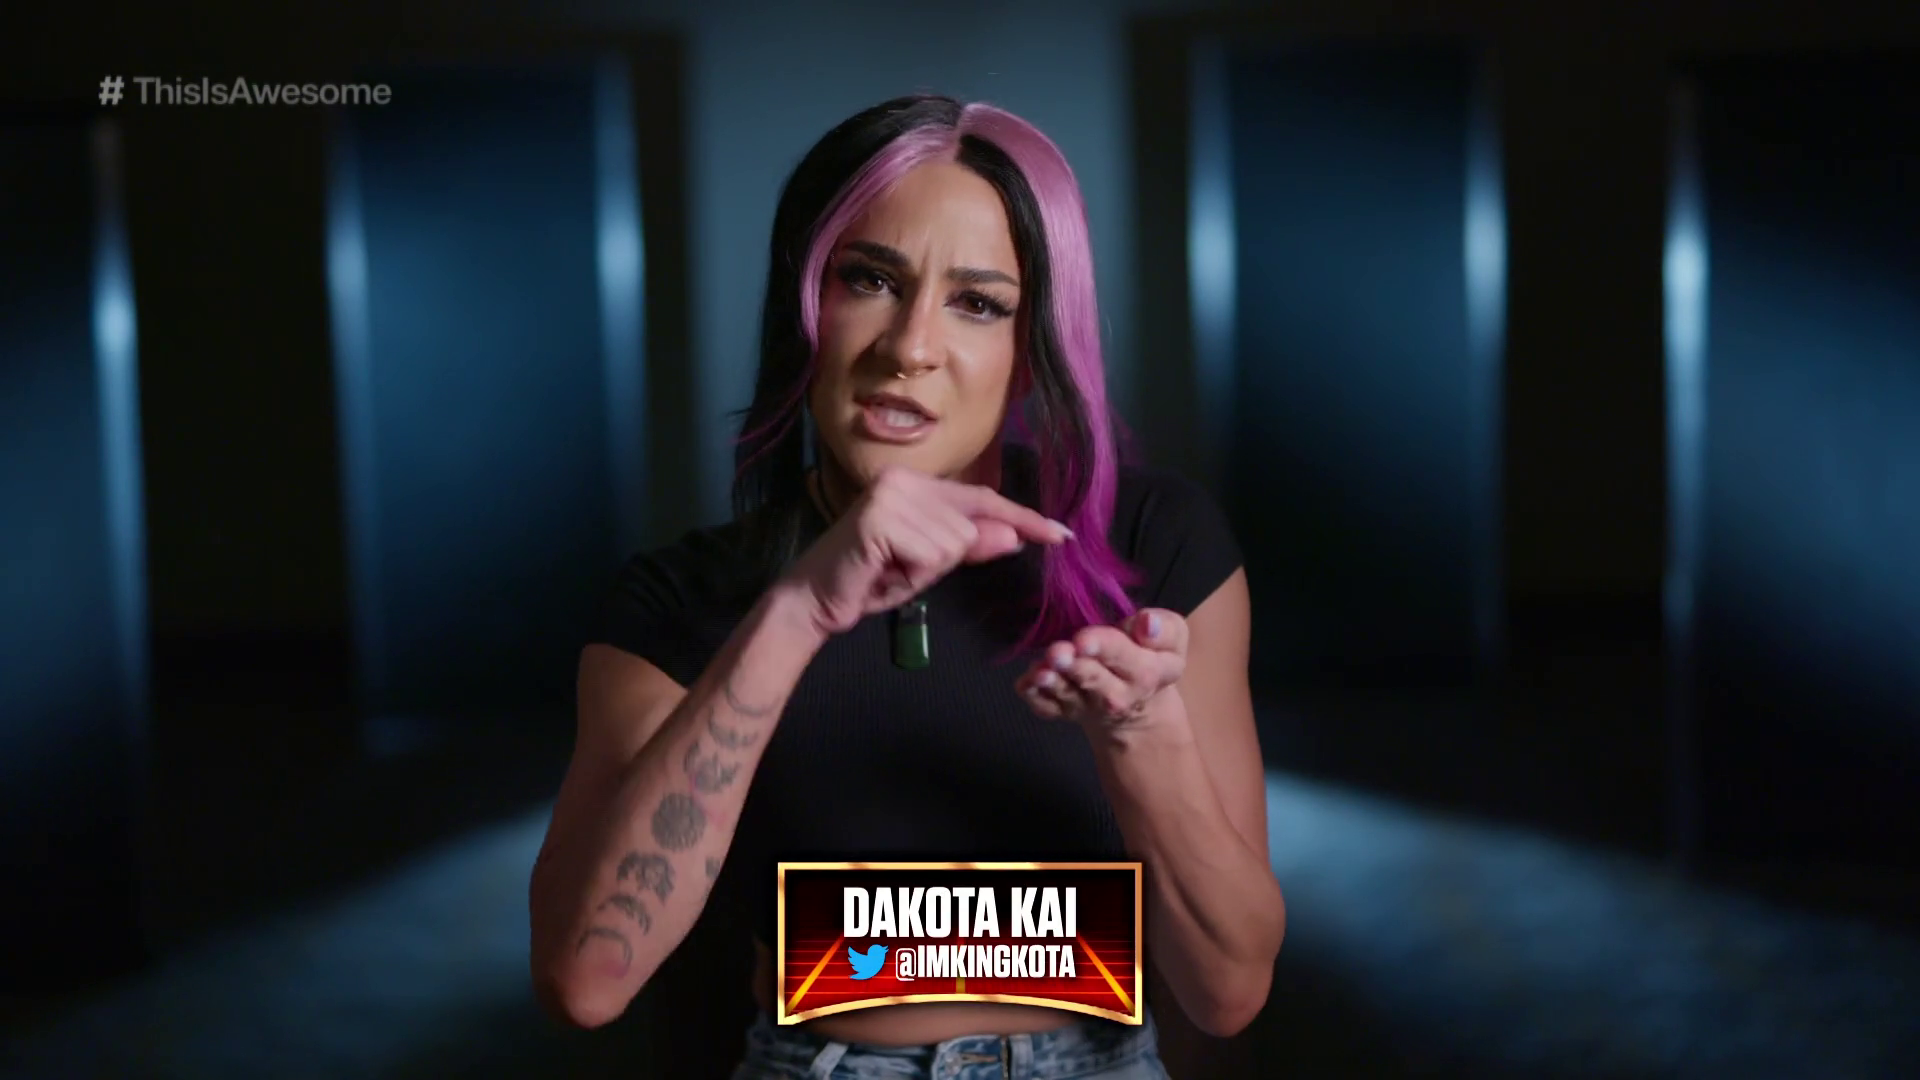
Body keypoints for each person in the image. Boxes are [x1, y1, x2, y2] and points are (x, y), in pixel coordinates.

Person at [529, 93, 1285, 1079]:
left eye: (979, 303)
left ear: (1032, 349)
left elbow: (1230, 989)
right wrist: (797, 612)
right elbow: (587, 979)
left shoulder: (1154, 545)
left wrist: (1143, 733)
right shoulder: (681, 600)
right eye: (872, 279)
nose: (909, 346)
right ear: (805, 304)